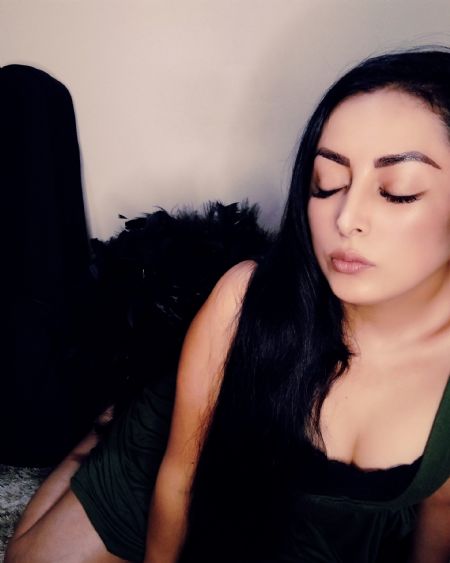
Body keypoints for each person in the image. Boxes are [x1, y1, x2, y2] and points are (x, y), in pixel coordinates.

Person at [5, 47, 450, 563]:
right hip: (192, 445)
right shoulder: (244, 299)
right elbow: (180, 477)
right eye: (326, 184)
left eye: (397, 192)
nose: (346, 218)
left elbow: (440, 515)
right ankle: (107, 427)